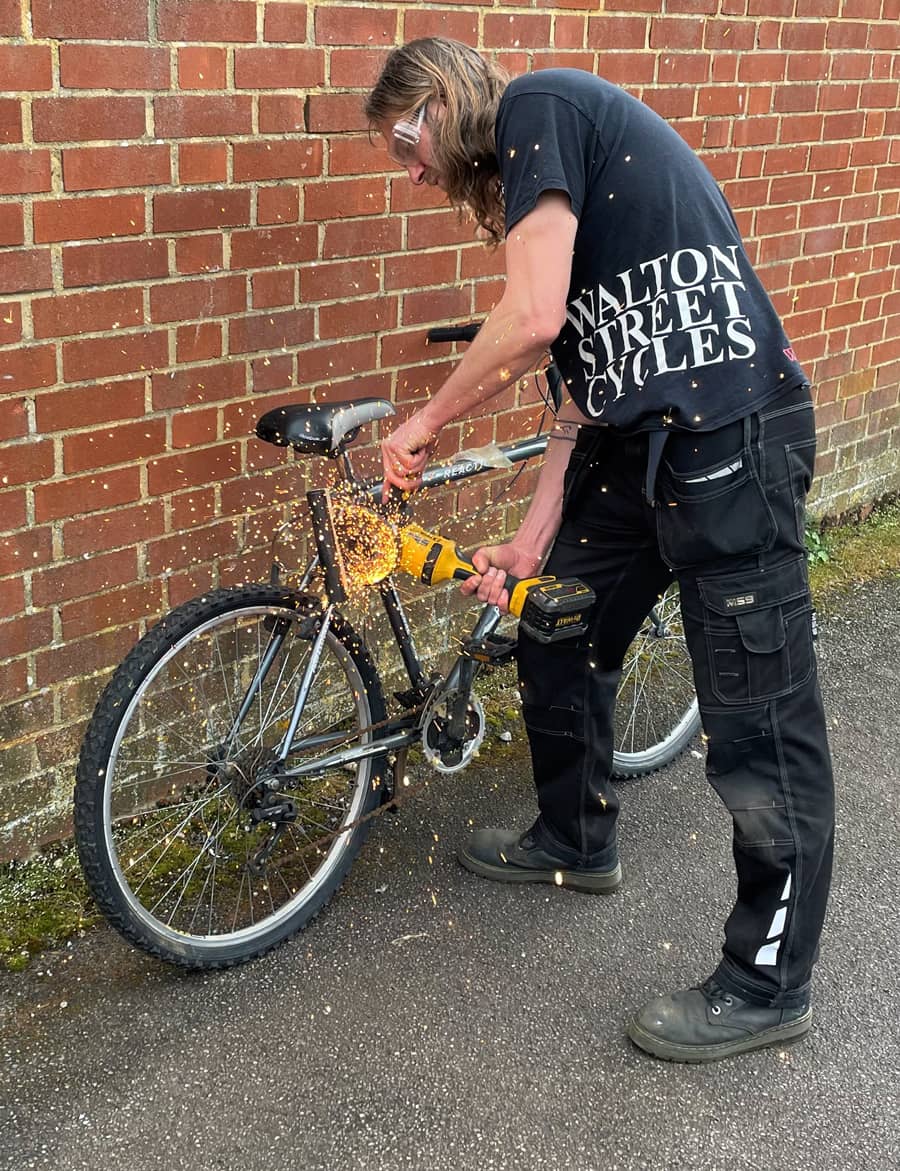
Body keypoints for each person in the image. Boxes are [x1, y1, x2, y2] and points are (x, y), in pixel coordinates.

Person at [364, 38, 834, 1064]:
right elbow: (577, 395)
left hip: (732, 436)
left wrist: (426, 420)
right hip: (638, 444)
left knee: (758, 724)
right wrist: (533, 541)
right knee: (555, 624)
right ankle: (575, 837)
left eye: (408, 142)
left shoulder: (541, 109)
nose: (410, 173)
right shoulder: (554, 202)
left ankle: (768, 982)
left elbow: (530, 321)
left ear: (446, 102)